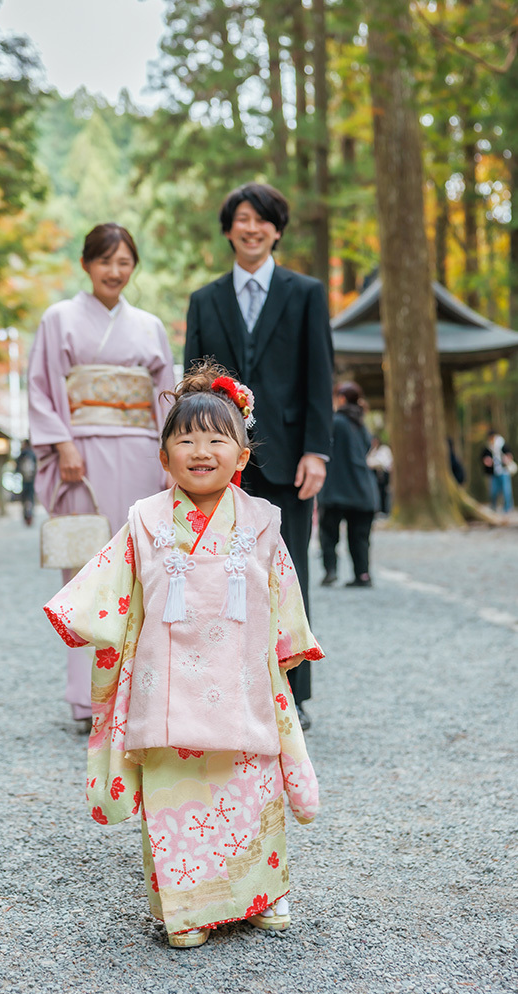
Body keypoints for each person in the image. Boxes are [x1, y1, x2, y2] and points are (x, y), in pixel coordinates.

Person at [43, 362, 323, 947]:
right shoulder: (144, 520)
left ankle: (263, 893)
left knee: (250, 789)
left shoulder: (264, 522)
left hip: (242, 683)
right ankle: (188, 908)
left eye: (218, 439)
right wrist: (80, 617)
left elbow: (283, 594)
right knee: (177, 800)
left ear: (242, 456)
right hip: (165, 690)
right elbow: (112, 587)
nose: (202, 450)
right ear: (164, 456)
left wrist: (287, 651)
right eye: (185, 439)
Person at [185, 182, 333, 731]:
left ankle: (292, 695)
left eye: (262, 220)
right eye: (242, 219)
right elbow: (193, 388)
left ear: (276, 229)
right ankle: (223, 689)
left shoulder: (306, 293)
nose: (251, 228)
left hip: (289, 460)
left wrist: (318, 450)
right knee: (218, 578)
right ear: (229, 229)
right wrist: (192, 456)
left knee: (287, 575)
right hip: (219, 466)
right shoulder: (205, 300)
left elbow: (320, 375)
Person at [28, 223, 175, 726]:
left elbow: (165, 399)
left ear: (134, 268)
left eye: (125, 262)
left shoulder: (150, 326)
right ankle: (85, 696)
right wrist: (62, 442)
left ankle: (136, 694)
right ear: (87, 264)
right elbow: (43, 387)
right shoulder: (59, 318)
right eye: (106, 261)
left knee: (141, 572)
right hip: (81, 458)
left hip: (138, 453)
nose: (115, 271)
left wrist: (170, 456)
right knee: (85, 572)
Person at [318, 382, 379, 588]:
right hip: (362, 488)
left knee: (329, 534)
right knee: (360, 537)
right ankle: (362, 575)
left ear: (341, 399)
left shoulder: (335, 422)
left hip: (336, 487)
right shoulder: (363, 426)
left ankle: (330, 572)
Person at [481, 430, 514, 513]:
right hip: (493, 473)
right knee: (493, 491)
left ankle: (507, 508)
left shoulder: (503, 445)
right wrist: (487, 461)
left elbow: (509, 455)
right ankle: (494, 507)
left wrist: (507, 459)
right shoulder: (487, 447)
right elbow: (483, 458)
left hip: (504, 471)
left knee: (506, 491)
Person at [366, 435, 393, 515]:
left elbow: (384, 461)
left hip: (382, 473)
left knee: (383, 491)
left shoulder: (384, 450)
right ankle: (377, 509)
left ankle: (384, 510)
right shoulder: (371, 450)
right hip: (373, 473)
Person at [15, 439, 37, 526]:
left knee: (24, 498)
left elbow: (17, 468)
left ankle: (26, 515)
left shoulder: (22, 454)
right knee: (31, 498)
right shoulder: (33, 453)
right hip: (32, 479)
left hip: (24, 480)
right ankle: (30, 514)